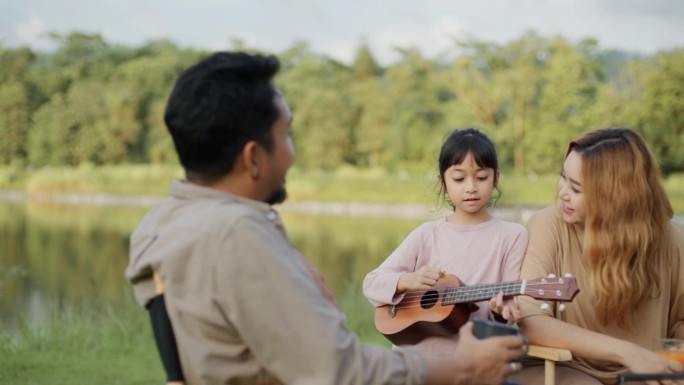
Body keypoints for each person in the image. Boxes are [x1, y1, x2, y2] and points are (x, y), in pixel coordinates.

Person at [124, 52, 526, 385]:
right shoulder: (237, 235)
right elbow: (341, 372)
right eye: (287, 135)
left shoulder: (159, 224)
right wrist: (463, 365)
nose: (292, 153)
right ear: (253, 157)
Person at [508, 128, 684, 385]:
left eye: (576, 188)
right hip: (565, 369)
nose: (563, 193)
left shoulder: (671, 238)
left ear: (615, 198)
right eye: (563, 177)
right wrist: (628, 352)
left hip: (644, 373)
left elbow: (680, 322)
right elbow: (533, 321)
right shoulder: (548, 226)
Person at [363, 128, 528, 326]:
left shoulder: (513, 235)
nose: (471, 187)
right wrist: (409, 280)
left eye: (482, 177)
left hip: (476, 349)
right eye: (459, 179)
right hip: (421, 346)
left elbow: (507, 310)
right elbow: (371, 283)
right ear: (443, 183)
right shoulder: (428, 234)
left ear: (496, 179)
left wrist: (500, 312)